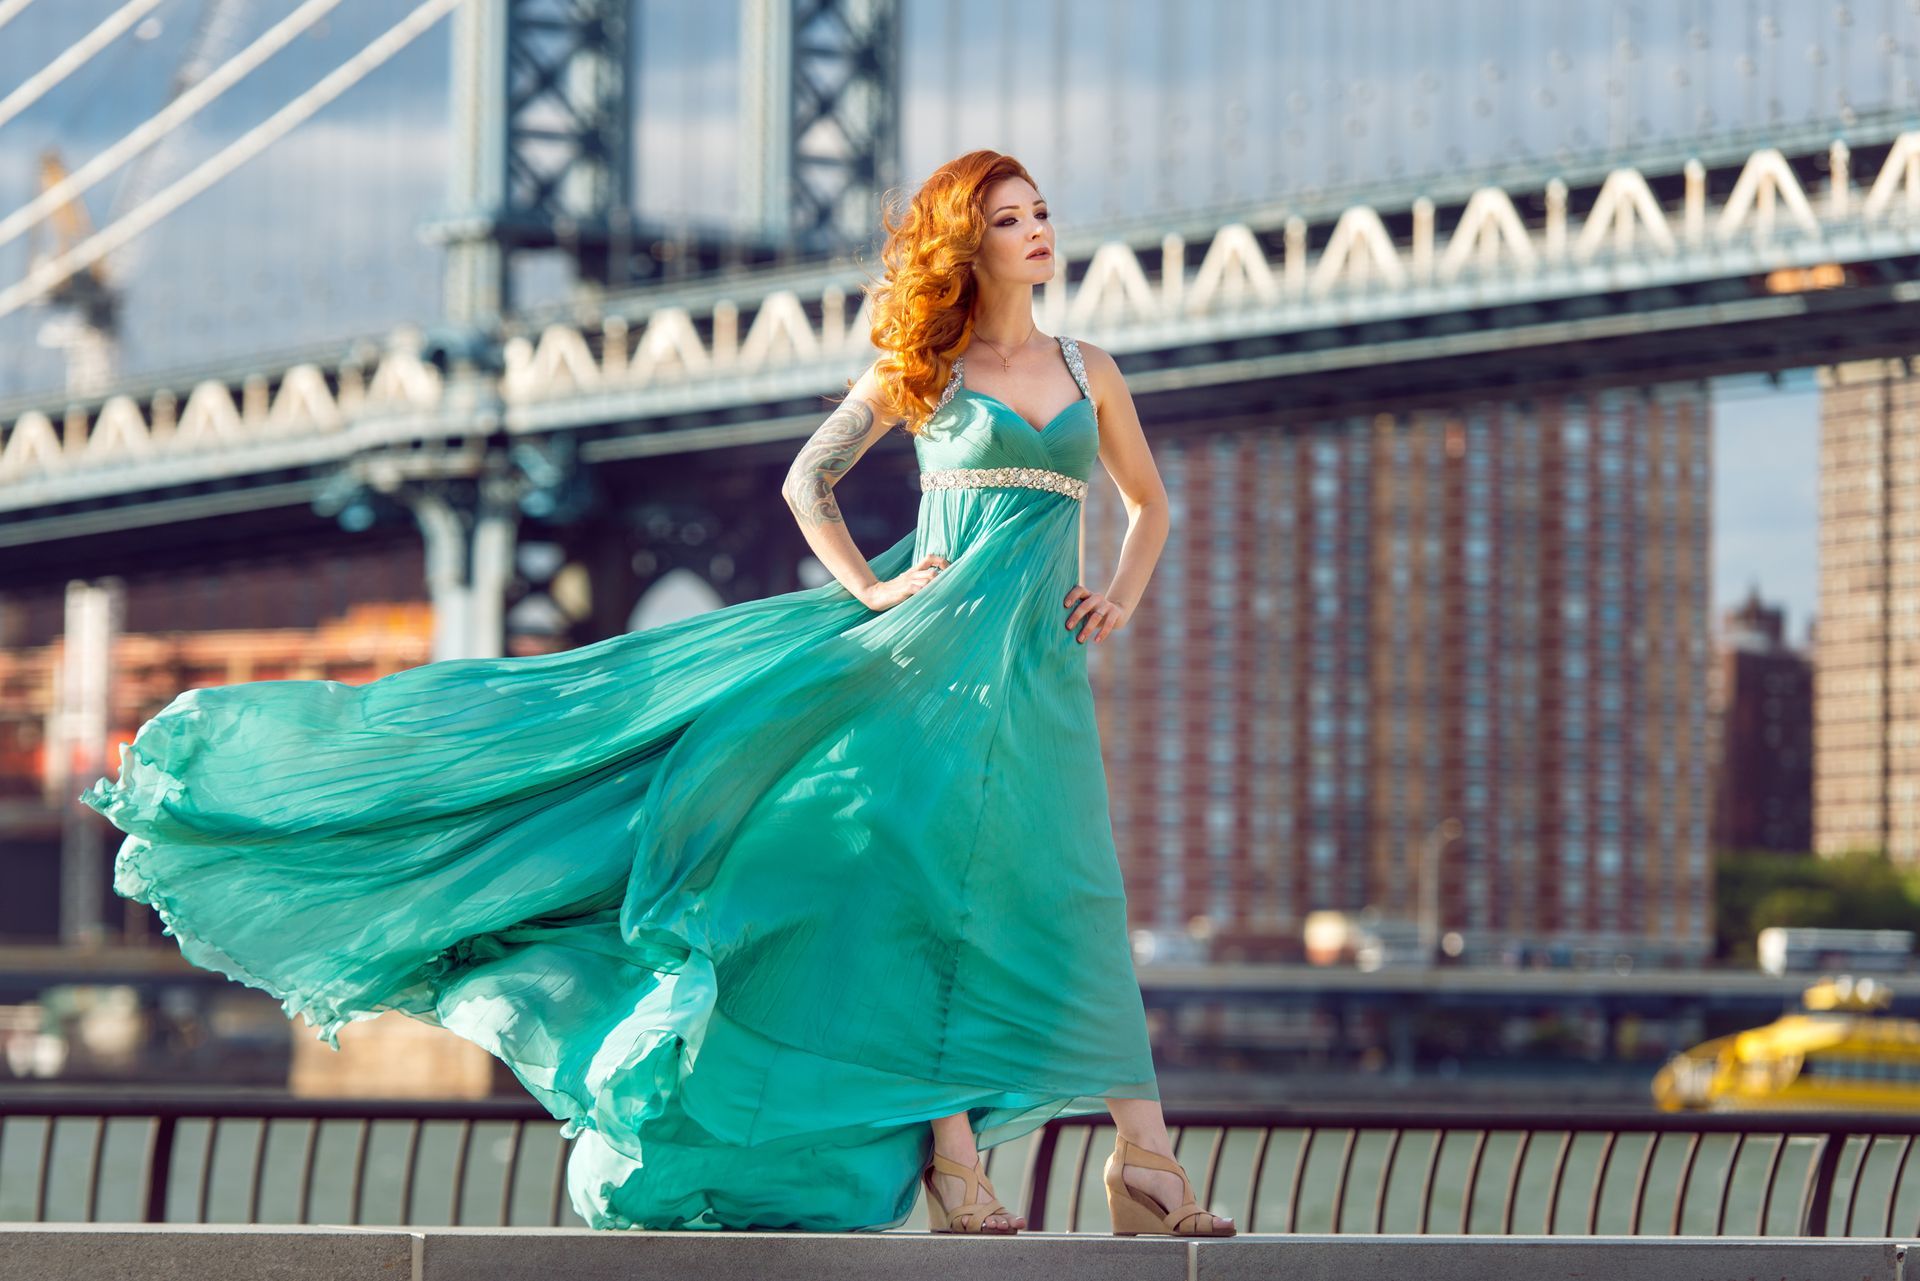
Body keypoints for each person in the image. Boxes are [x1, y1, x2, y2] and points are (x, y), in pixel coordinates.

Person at [79, 147, 1235, 1238]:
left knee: (1073, 888)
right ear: (964, 246)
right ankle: (961, 1163)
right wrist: (875, 597)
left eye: (1040, 214)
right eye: (1008, 219)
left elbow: (1148, 505)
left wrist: (1120, 593)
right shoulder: (922, 375)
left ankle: (1139, 1155)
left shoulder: (1092, 370)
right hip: (915, 671)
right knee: (918, 904)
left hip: (1035, 674)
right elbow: (807, 481)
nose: (1037, 233)